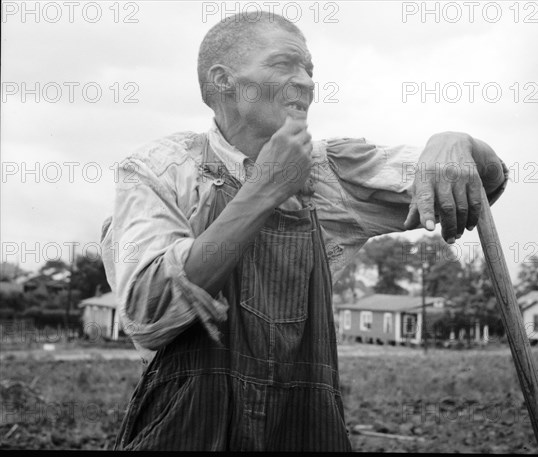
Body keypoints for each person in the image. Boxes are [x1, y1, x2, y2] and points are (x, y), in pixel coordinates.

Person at [100, 12, 508, 451]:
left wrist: (456, 142)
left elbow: (481, 182)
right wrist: (265, 189)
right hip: (191, 431)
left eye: (310, 70)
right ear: (223, 81)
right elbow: (148, 313)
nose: (307, 82)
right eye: (284, 65)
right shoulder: (160, 170)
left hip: (302, 431)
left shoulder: (329, 170)